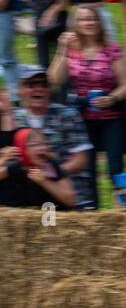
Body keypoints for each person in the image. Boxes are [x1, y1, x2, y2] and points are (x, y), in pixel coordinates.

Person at [47, 7, 126, 207]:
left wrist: (111, 98)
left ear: (99, 22)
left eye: (93, 19)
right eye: (84, 20)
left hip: (112, 116)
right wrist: (61, 50)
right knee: (88, 170)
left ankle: (125, 211)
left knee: (115, 168)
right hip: (83, 118)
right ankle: (92, 212)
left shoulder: (111, 49)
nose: (89, 23)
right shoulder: (71, 50)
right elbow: (54, 79)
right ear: (75, 24)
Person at [8, 65, 93, 209]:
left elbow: (81, 159)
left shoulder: (68, 115)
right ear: (19, 90)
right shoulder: (13, 119)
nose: (39, 88)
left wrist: (51, 174)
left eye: (44, 84)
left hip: (68, 191)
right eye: (31, 84)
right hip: (27, 194)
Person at [0, 127, 76, 208]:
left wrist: (45, 181)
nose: (42, 148)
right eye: (34, 145)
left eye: (43, 143)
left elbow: (70, 201)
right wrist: (2, 160)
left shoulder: (52, 164)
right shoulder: (16, 166)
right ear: (22, 149)